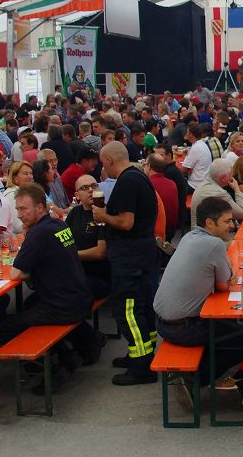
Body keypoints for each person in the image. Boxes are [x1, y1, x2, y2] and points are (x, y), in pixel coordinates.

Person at [0, 183, 105, 388]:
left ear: (40, 208)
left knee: (5, 327)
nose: (20, 214)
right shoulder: (58, 225)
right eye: (18, 209)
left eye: (24, 209)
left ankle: (55, 365)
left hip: (62, 306)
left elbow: (16, 273)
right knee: (29, 304)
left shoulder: (38, 234)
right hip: (80, 297)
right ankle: (85, 341)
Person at [152, 196, 240, 399]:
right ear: (209, 223)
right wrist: (229, 275)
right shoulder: (213, 244)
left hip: (162, 323)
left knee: (227, 329)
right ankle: (194, 379)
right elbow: (224, 286)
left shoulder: (188, 237)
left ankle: (195, 371)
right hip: (184, 328)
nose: (232, 226)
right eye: (227, 221)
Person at [94, 141, 160, 385]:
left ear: (109, 160)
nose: (103, 168)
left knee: (128, 310)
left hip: (129, 255)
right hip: (141, 252)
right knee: (141, 306)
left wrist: (101, 215)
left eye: (103, 163)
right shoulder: (139, 177)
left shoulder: (127, 182)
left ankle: (141, 365)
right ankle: (141, 352)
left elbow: (125, 222)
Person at [65, 173, 110, 299]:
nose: (90, 190)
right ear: (77, 195)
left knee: (62, 290)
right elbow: (62, 239)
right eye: (85, 188)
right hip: (76, 271)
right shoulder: (74, 213)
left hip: (99, 275)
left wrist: (71, 255)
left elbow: (100, 252)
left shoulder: (105, 213)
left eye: (94, 186)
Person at [190, 158, 243, 226]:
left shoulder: (203, 184)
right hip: (208, 235)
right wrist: (237, 190)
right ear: (223, 178)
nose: (232, 178)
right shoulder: (219, 193)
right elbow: (242, 214)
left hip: (198, 232)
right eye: (231, 174)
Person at [146, 154, 179, 240]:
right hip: (171, 230)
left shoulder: (147, 184)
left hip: (155, 233)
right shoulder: (172, 184)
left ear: (149, 166)